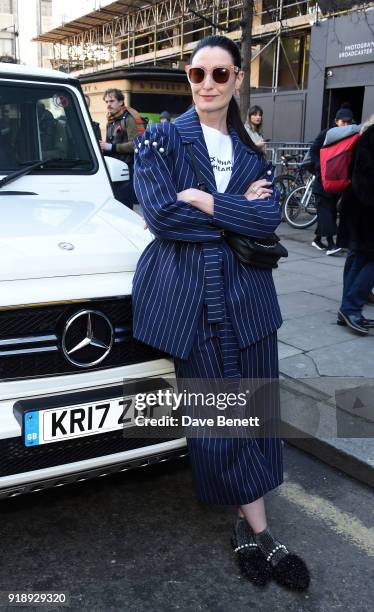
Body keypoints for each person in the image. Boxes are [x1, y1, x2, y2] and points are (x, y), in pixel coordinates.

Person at [132, 35, 310, 591]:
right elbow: (163, 217)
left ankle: (251, 528)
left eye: (219, 74)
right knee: (220, 424)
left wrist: (208, 202)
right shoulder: (161, 141)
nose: (207, 84)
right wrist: (238, 213)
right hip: (196, 302)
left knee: (254, 419)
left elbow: (266, 225)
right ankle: (259, 532)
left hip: (251, 302)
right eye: (196, 73)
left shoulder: (254, 150)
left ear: (236, 80)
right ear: (188, 78)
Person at [336, 115, 374, 335]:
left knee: (359, 257)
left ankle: (347, 309)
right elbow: (365, 175)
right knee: (367, 259)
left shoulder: (367, 134)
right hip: (366, 208)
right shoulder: (371, 136)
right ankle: (351, 308)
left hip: (359, 206)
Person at [310, 105, 354, 255]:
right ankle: (330, 244)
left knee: (330, 211)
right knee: (326, 211)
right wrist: (320, 167)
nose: (346, 125)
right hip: (322, 181)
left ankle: (317, 239)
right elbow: (313, 151)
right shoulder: (326, 134)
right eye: (343, 122)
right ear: (336, 121)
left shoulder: (349, 137)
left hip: (337, 182)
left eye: (349, 122)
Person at [100, 88, 140, 209]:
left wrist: (111, 147)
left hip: (127, 170)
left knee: (124, 207)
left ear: (121, 102)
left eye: (111, 101)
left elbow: (136, 144)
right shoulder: (111, 120)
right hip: (114, 169)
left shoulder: (129, 118)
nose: (108, 105)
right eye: (106, 102)